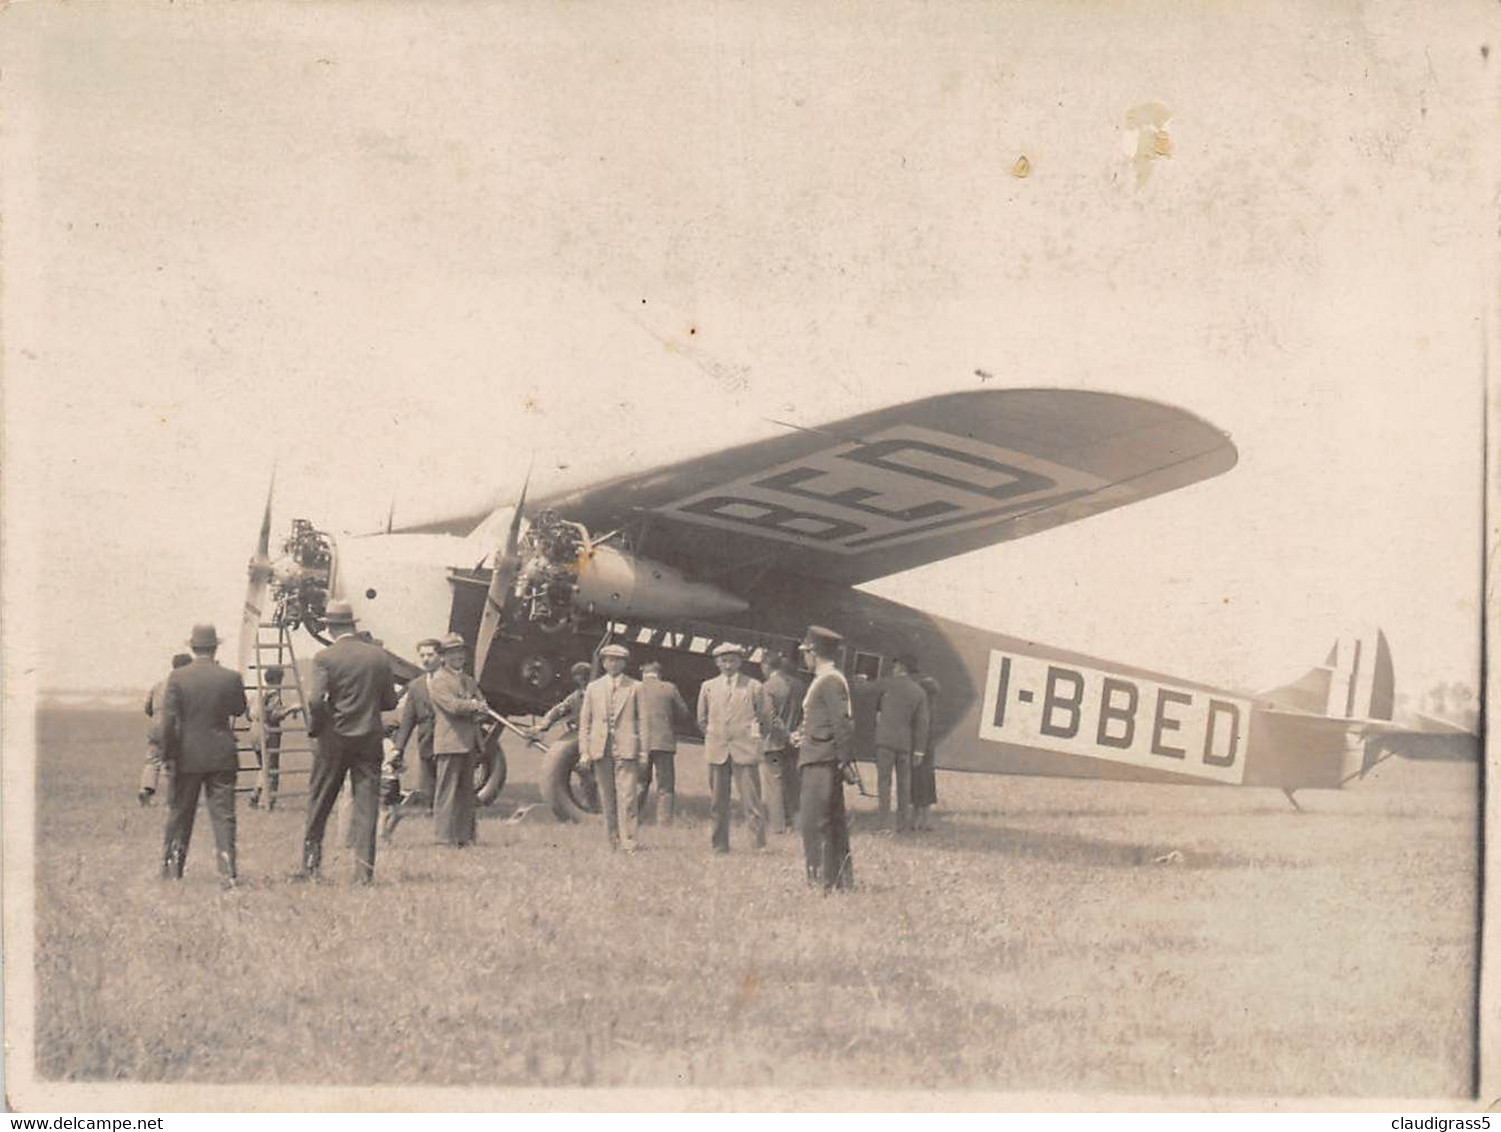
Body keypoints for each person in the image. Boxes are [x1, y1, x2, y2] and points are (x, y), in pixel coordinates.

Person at [293, 600, 398, 884]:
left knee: (320, 803)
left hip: (333, 740)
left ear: (329, 627)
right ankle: (364, 874)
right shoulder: (378, 657)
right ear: (353, 624)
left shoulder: (324, 658)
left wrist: (318, 726)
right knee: (367, 807)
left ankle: (310, 867)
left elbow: (315, 699)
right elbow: (390, 701)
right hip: (369, 740)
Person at [159, 625, 247, 887]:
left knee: (180, 814)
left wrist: (168, 755)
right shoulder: (230, 677)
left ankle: (172, 871)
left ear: (192, 647)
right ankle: (228, 872)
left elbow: (168, 722)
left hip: (186, 756)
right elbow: (239, 709)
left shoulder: (177, 678)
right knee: (224, 816)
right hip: (222, 755)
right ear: (215, 647)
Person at [697, 642, 772, 853]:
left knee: (752, 802)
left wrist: (753, 739)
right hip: (717, 750)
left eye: (732, 661)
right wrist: (717, 736)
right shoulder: (708, 687)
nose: (728, 665)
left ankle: (758, 846)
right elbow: (702, 719)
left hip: (745, 750)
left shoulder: (754, 686)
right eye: (723, 661)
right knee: (717, 802)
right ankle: (719, 846)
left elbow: (765, 718)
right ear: (717, 663)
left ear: (740, 662)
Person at [796, 626, 856, 891]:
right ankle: (838, 881)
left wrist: (843, 761)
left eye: (806, 653)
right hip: (821, 756)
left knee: (814, 822)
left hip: (821, 760)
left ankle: (821, 881)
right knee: (830, 823)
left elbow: (841, 723)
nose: (804, 659)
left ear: (814, 652)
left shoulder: (829, 680)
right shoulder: (827, 679)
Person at [577, 643, 646, 851]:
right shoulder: (593, 688)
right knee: (606, 798)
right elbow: (585, 723)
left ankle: (630, 842)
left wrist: (643, 752)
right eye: (609, 660)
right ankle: (612, 841)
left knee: (628, 797)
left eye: (618, 660)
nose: (613, 664)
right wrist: (584, 751)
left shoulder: (636, 687)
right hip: (601, 749)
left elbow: (643, 722)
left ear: (624, 663)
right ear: (603, 663)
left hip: (626, 749)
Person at [427, 633, 487, 847]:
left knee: (466, 793)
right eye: (453, 653)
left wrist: (480, 709)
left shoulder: (469, 680)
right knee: (447, 793)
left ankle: (465, 837)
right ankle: (444, 839)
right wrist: (474, 706)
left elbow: (482, 706)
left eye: (460, 652)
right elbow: (452, 706)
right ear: (443, 657)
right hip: (449, 744)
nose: (458, 656)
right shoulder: (438, 680)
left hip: (468, 743)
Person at [874, 654, 930, 832]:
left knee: (884, 783)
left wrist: (859, 680)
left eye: (895, 665)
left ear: (899, 667)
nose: (893, 668)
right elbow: (922, 724)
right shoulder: (919, 692)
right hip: (905, 745)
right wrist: (919, 751)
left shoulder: (887, 683)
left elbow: (864, 688)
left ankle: (883, 824)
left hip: (885, 742)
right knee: (904, 785)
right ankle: (902, 825)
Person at [634, 659, 692, 825]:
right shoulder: (669, 688)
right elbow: (683, 713)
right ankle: (664, 822)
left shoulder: (634, 688)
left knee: (640, 782)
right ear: (659, 673)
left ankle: (632, 817)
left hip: (640, 742)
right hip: (664, 742)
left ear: (643, 673)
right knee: (665, 785)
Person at [759, 650, 805, 835]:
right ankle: (798, 825)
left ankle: (777, 827)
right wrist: (797, 733)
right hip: (795, 743)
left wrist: (786, 734)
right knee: (794, 784)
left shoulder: (768, 686)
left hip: (773, 743)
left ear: (765, 666)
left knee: (773, 784)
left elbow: (770, 717)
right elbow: (806, 714)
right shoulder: (800, 685)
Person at [140, 652, 192, 806]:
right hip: (173, 727)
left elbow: (147, 708)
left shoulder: (158, 684)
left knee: (152, 760)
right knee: (174, 763)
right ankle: (174, 798)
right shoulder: (185, 685)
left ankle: (146, 789)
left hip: (155, 726)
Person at [250, 665, 299, 811]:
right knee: (271, 767)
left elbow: (248, 713)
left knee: (263, 766)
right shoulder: (273, 695)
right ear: (278, 679)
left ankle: (255, 795)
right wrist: (291, 709)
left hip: (254, 730)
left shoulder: (257, 692)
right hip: (268, 732)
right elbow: (273, 715)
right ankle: (268, 801)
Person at [913, 675, 942, 830]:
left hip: (921, 751)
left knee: (919, 785)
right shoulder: (932, 709)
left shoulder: (923, 710)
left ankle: (919, 820)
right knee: (926, 786)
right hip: (928, 752)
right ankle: (924, 820)